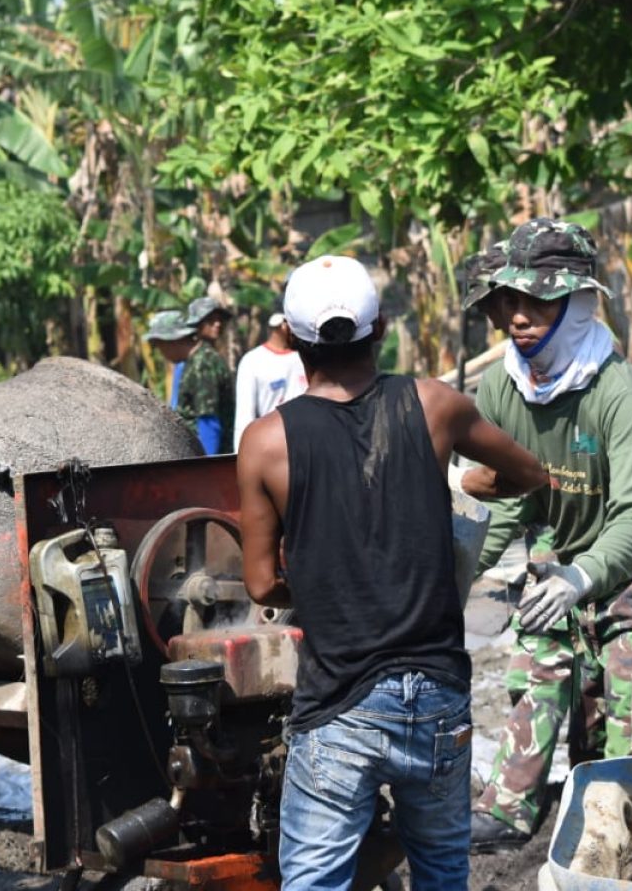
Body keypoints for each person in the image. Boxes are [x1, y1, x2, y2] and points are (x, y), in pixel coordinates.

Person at [237, 253, 548, 890]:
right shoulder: (434, 404)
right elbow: (531, 474)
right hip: (437, 697)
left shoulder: (267, 443)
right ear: (380, 330)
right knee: (440, 874)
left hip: (338, 704)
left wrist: (327, 580)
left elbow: (262, 584)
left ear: (293, 344)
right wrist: (470, 483)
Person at [468, 218, 632, 851]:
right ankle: (513, 806)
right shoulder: (501, 388)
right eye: (510, 301)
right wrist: (461, 571)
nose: (519, 317)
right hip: (562, 556)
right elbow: (508, 500)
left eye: (539, 301)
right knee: (536, 669)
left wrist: (583, 578)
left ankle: (626, 830)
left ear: (578, 301)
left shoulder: (622, 395)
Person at [233, 307, 306, 451]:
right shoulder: (252, 361)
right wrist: (240, 458)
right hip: (271, 449)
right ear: (283, 325)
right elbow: (244, 418)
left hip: (306, 446)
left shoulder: (306, 358)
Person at [178, 296, 235, 454]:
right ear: (197, 323)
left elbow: (209, 420)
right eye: (210, 320)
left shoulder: (205, 359)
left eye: (220, 320)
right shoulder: (201, 359)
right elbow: (206, 419)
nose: (217, 324)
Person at [142, 309, 198, 410]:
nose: (161, 351)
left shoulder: (199, 365)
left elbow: (207, 419)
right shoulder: (181, 365)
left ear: (171, 341)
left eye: (160, 345)